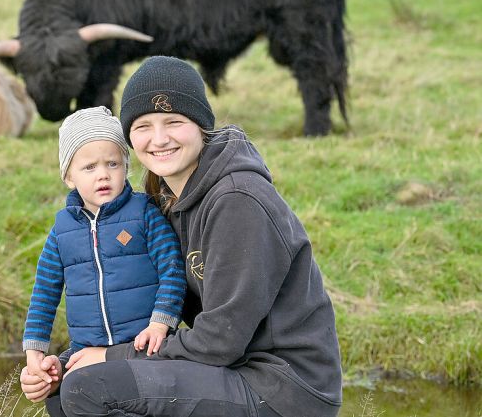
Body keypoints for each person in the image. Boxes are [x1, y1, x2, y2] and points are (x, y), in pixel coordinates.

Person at [20, 56, 342, 417]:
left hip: (282, 388)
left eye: (174, 121)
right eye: (143, 126)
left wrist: (110, 357)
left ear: (201, 125)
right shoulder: (165, 198)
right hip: (234, 368)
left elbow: (221, 338)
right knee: (65, 389)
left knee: (89, 388)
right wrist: (63, 361)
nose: (159, 139)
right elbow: (140, 305)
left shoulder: (238, 200)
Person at [23, 107, 186, 388]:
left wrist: (160, 324)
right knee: (57, 394)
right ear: (69, 177)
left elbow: (172, 271)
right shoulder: (62, 231)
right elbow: (44, 294)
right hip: (86, 350)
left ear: (125, 166)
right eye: (89, 167)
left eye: (113, 164)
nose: (103, 175)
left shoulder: (144, 213)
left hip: (144, 344)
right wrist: (34, 351)